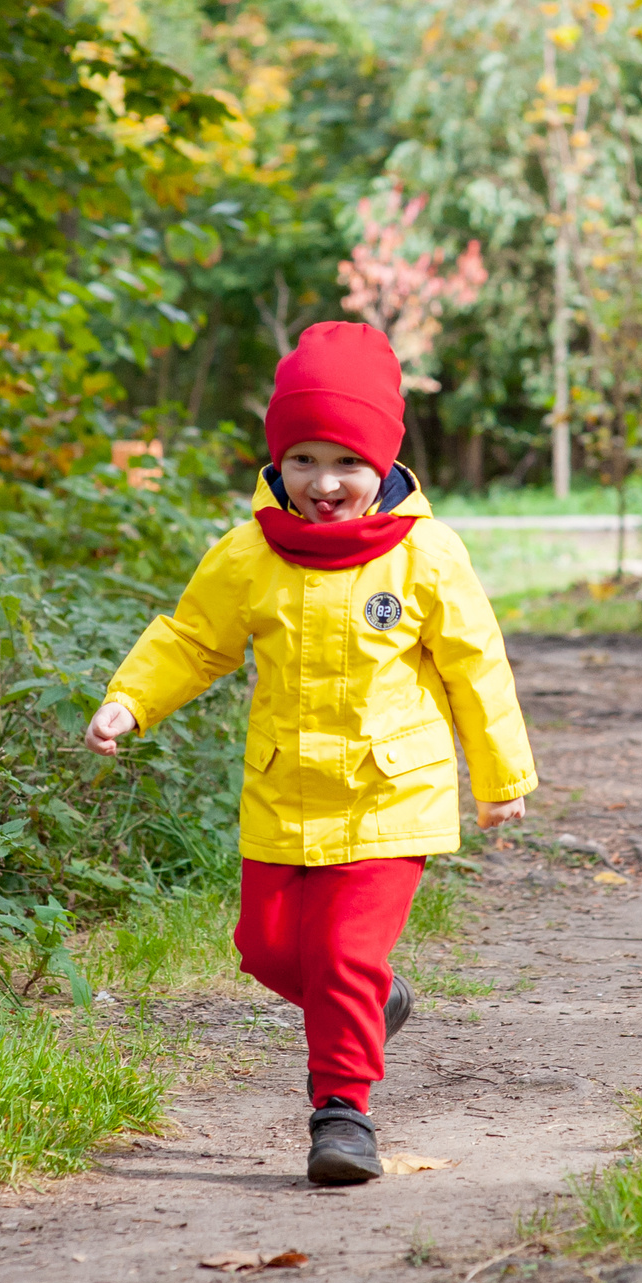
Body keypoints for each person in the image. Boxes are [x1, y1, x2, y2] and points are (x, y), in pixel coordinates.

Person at [84, 322, 535, 1184]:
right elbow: (193, 639)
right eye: (302, 460)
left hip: (388, 795)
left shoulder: (425, 556)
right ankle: (370, 1001)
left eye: (346, 462)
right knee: (263, 947)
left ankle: (343, 1115)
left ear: (384, 460)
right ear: (276, 459)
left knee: (340, 955)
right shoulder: (251, 552)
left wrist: (499, 777)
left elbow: (476, 666)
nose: (324, 484)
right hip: (284, 791)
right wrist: (129, 699)